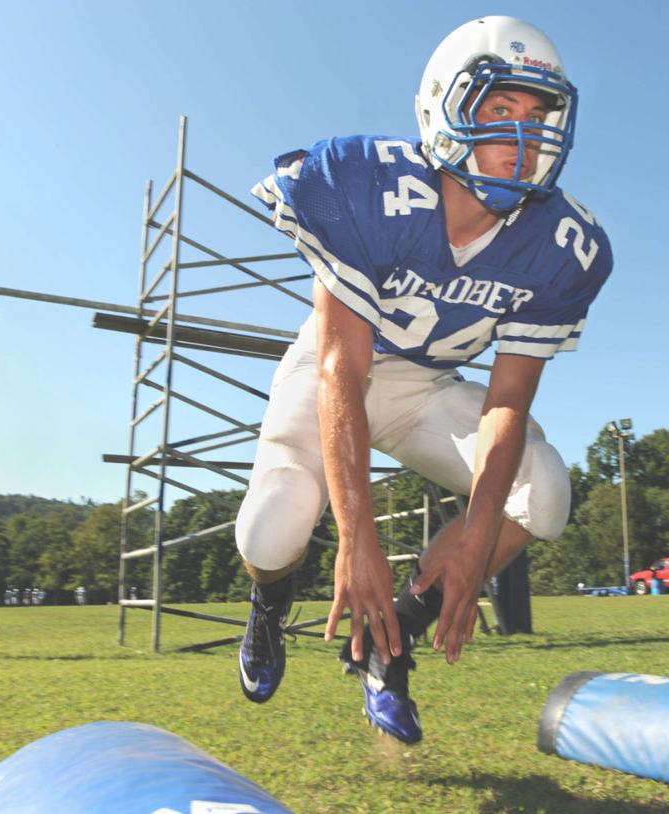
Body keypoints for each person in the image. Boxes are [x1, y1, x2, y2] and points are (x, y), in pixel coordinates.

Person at [233, 16, 612, 744]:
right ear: (445, 106)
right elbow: (344, 369)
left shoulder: (560, 245)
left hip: (426, 388)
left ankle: (390, 643)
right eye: (501, 110)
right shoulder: (364, 185)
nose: (525, 137)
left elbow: (507, 402)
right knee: (275, 524)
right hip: (329, 373)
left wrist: (475, 543)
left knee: (547, 496)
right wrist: (357, 540)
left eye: (538, 116)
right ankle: (269, 603)